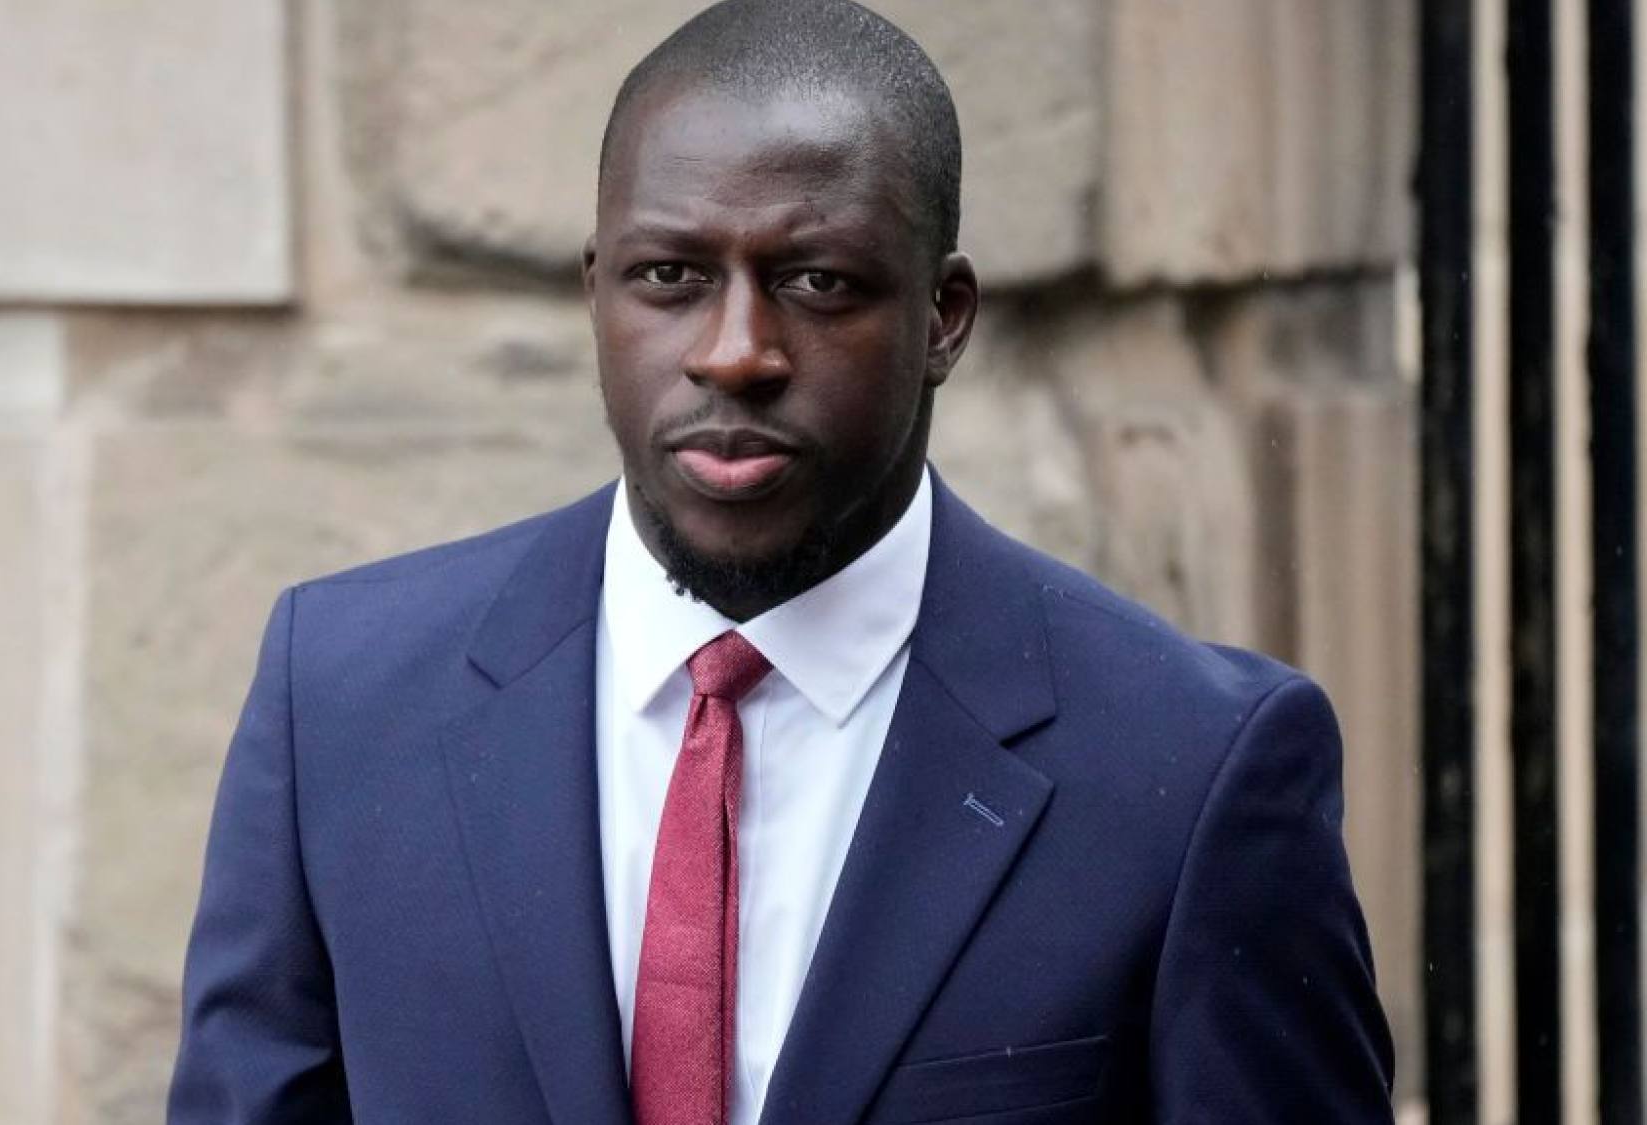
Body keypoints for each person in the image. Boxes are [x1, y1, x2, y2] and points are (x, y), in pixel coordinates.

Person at [166, 0, 1397, 1121]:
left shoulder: (1187, 770)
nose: (735, 353)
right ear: (596, 293)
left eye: (816, 282)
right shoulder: (342, 704)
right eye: (669, 277)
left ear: (941, 319)